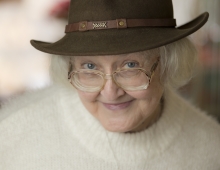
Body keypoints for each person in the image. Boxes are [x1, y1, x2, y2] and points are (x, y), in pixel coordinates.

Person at [0, 0, 220, 169]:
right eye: (89, 67)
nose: (110, 92)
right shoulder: (12, 136)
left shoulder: (211, 151)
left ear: (168, 64)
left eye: (131, 65)